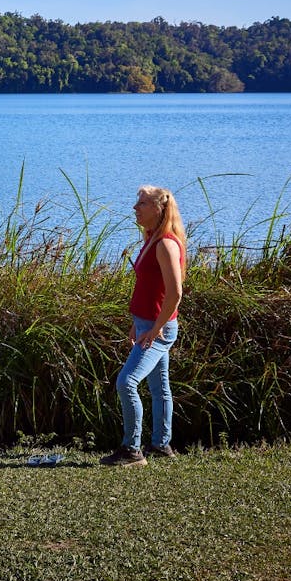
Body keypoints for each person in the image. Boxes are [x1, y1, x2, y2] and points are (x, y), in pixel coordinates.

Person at [101, 185, 186, 467]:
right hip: (147, 324)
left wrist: (155, 328)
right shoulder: (151, 239)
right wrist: (138, 323)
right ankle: (161, 445)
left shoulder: (165, 244)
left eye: (142, 204)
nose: (135, 208)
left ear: (158, 209)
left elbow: (175, 292)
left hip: (158, 328)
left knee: (127, 382)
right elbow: (150, 287)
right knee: (160, 387)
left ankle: (131, 450)